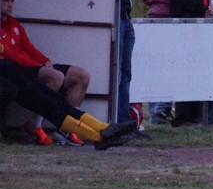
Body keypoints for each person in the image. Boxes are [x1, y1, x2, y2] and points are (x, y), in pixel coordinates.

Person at [1, 0, 90, 145]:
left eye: (12, 1)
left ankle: (66, 130)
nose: (10, 4)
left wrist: (45, 61)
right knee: (56, 77)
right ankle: (35, 127)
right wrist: (38, 66)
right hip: (22, 70)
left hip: (35, 66)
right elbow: (11, 57)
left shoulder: (15, 25)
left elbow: (29, 48)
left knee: (82, 76)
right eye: (6, 0)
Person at [0, 58, 136, 151]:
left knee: (56, 99)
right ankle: (99, 137)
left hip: (11, 67)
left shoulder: (11, 26)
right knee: (48, 105)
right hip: (8, 70)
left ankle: (102, 128)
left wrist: (41, 62)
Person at [142, 0, 188, 124]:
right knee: (167, 65)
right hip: (168, 19)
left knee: (156, 65)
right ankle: (160, 111)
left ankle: (156, 109)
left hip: (153, 17)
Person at [117, 0, 138, 126]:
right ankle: (120, 118)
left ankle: (124, 118)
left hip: (125, 18)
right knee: (120, 72)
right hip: (120, 20)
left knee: (125, 73)